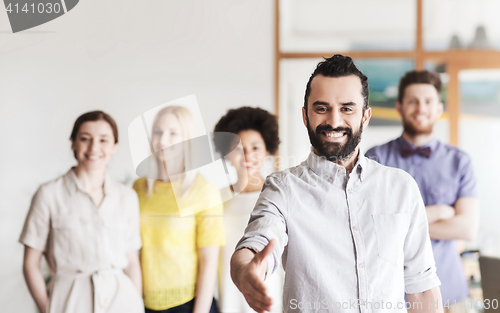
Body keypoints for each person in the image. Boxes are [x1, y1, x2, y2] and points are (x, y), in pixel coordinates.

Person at [230, 55, 444, 313]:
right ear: (305, 116)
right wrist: (244, 271)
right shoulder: (282, 188)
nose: (333, 121)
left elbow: (421, 288)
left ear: (365, 116)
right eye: (321, 108)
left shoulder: (401, 187)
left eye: (347, 108)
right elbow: (256, 241)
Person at [366, 70, 479, 312]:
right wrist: (440, 211)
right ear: (399, 107)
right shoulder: (375, 159)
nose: (421, 108)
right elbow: (371, 227)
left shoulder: (460, 161)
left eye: (428, 101)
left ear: (439, 108)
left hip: (450, 295)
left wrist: (400, 225)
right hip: (391, 297)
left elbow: (467, 228)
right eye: (413, 101)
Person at [20, 111, 144, 313]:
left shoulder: (127, 197)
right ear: (73, 143)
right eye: (85, 139)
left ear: (114, 147)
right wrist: (47, 308)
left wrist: (136, 304)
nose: (94, 148)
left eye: (103, 140)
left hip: (121, 302)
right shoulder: (49, 194)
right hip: (68, 301)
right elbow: (30, 263)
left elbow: (131, 261)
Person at [133, 105, 225, 313]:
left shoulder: (204, 191)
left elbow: (209, 262)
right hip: (144, 304)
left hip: (189, 305)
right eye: (158, 132)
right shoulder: (138, 188)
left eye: (173, 133)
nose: (162, 140)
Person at [213, 106, 282, 313]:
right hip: (227, 293)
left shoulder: (277, 195)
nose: (247, 155)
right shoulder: (215, 197)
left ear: (267, 151)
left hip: (269, 293)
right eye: (238, 148)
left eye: (255, 148)